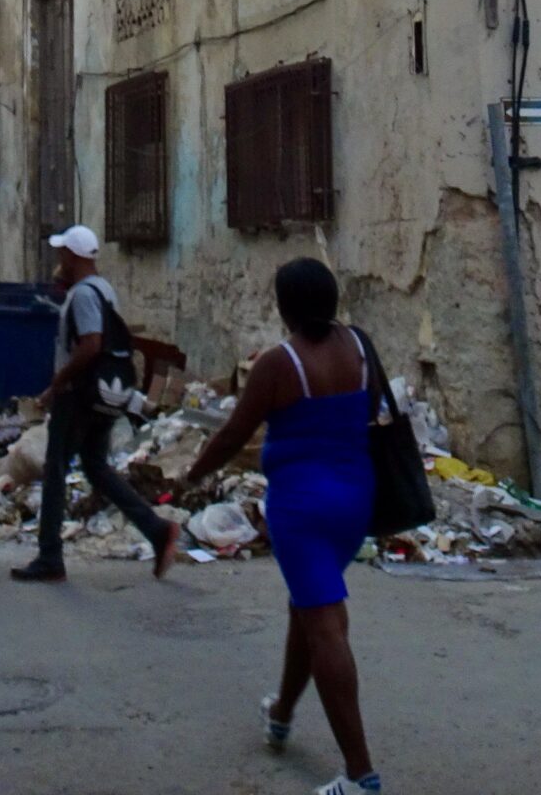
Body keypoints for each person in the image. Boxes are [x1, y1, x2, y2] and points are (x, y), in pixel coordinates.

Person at [180, 257, 384, 795]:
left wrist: (192, 474)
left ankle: (360, 774)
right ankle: (283, 713)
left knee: (326, 625)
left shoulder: (280, 362)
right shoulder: (360, 347)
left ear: (284, 307)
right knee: (308, 607)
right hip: (356, 499)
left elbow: (232, 435)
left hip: (303, 509)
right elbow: (376, 409)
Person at [9, 225, 181, 584]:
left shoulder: (84, 295)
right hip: (104, 393)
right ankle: (156, 528)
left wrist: (58, 383)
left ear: (72, 256)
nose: (59, 260)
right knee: (95, 465)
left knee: (55, 468)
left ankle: (49, 556)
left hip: (80, 394)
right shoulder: (104, 290)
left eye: (62, 253)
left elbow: (90, 344)